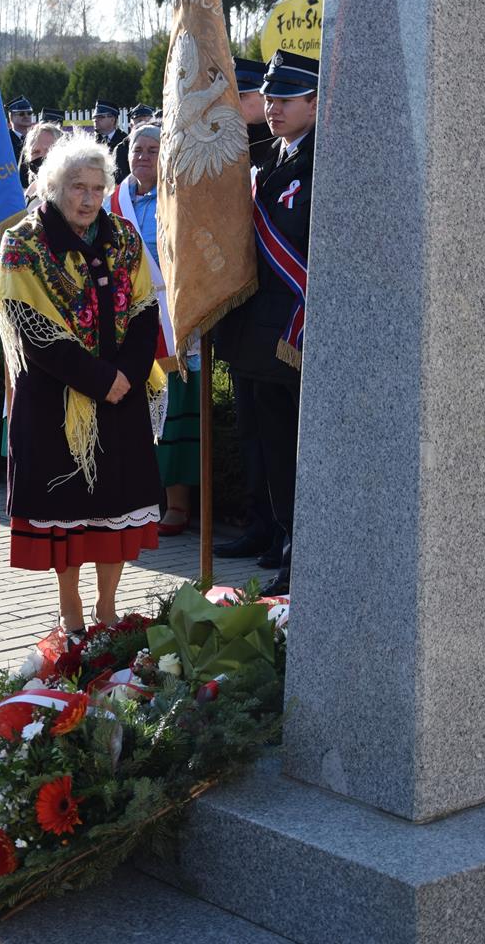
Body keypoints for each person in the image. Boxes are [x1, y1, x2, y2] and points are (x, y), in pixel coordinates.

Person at [0, 133, 165, 639]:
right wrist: (98, 379)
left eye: (97, 188)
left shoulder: (126, 239)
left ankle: (107, 607)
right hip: (54, 399)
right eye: (77, 188)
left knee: (118, 506)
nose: (89, 199)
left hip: (121, 395)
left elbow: (145, 311)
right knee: (65, 512)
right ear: (53, 187)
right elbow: (29, 327)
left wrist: (126, 377)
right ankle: (70, 608)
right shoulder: (22, 244)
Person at [214, 50, 317, 597]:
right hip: (261, 337)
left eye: (284, 99)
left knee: (298, 455)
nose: (272, 107)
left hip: (296, 336)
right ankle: (283, 543)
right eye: (270, 98)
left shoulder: (323, 161)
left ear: (315, 102)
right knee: (272, 450)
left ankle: (301, 555)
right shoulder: (272, 156)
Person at [107, 124, 199, 536]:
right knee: (130, 411)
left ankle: (176, 502)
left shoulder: (182, 195)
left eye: (152, 149)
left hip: (171, 318)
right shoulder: (111, 200)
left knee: (174, 411)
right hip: (124, 319)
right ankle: (135, 498)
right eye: (137, 149)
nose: (143, 156)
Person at [234, 57, 275, 169]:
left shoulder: (283, 139)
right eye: (233, 97)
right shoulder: (233, 137)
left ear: (265, 94)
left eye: (242, 96)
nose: (234, 104)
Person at [21, 121, 63, 201]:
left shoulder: (72, 192)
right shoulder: (29, 193)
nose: (42, 156)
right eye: (35, 152)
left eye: (49, 150)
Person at [114, 104, 155, 184]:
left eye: (148, 123)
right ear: (132, 126)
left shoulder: (160, 145)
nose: (144, 127)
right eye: (139, 123)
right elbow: (122, 179)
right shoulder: (122, 148)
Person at [6, 96, 36, 161]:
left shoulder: (36, 138)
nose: (26, 116)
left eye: (29, 113)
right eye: (21, 114)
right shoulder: (5, 140)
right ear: (11, 117)